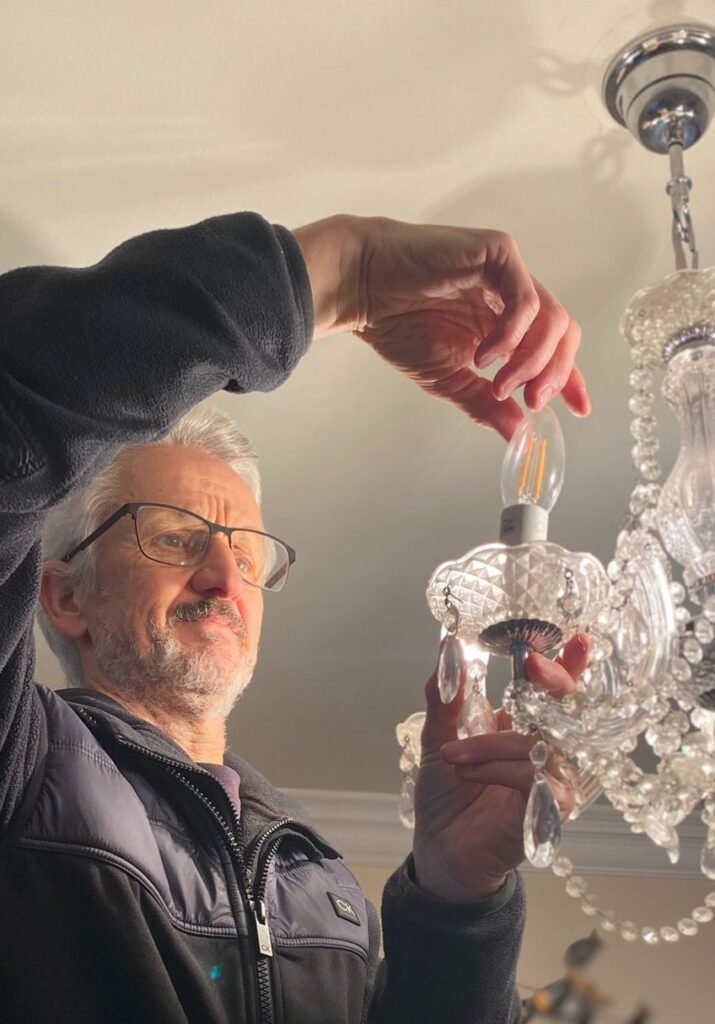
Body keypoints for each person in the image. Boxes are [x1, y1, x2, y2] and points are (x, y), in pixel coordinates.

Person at [0, 211, 591, 1023]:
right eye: (176, 537)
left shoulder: (314, 877)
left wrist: (457, 900)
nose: (224, 576)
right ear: (66, 596)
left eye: (246, 555)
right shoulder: (21, 769)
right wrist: (342, 270)